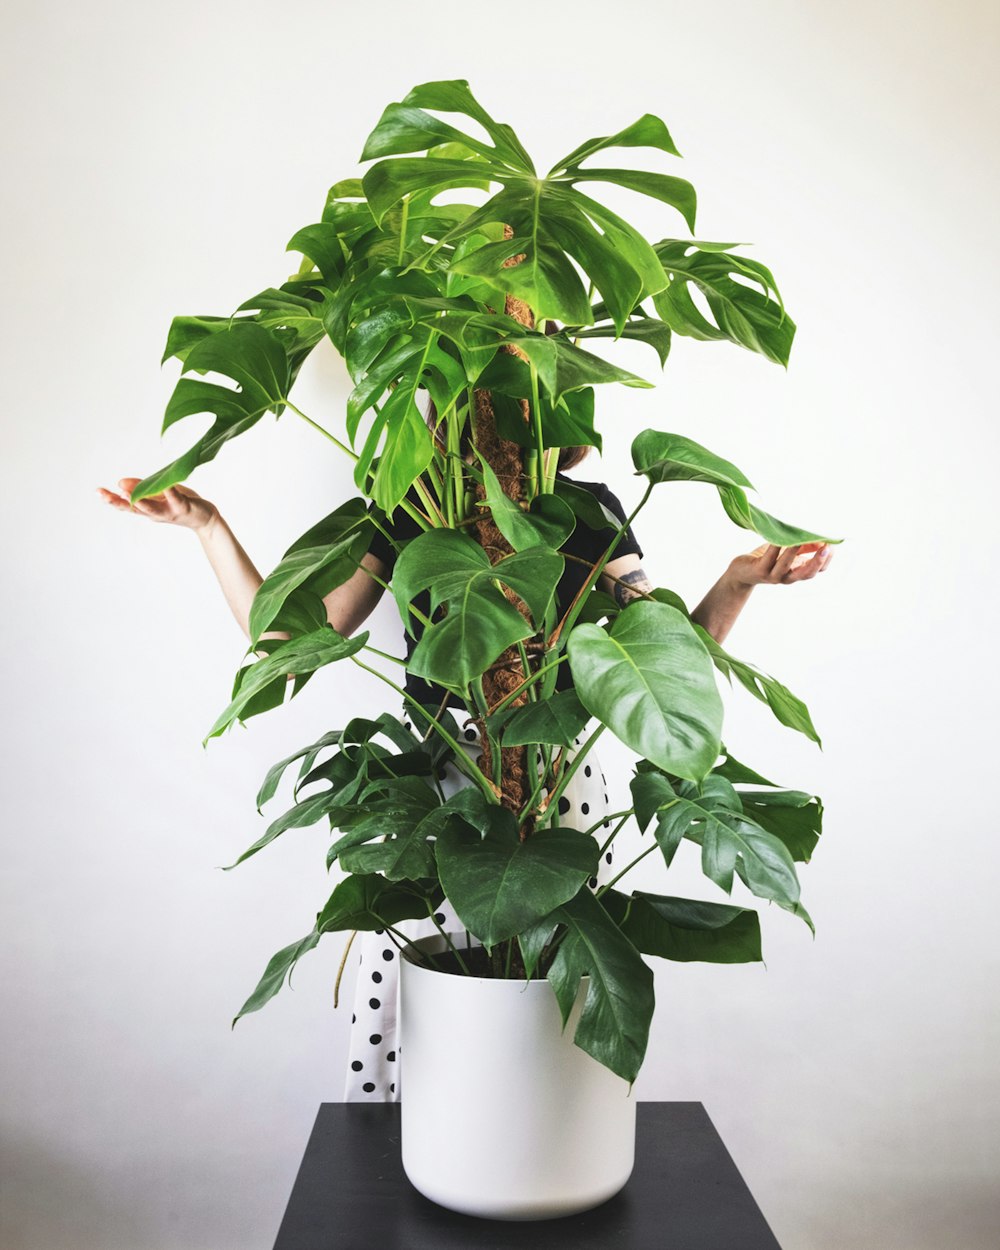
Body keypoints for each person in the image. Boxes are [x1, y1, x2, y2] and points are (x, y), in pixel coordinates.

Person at [97, 443, 832, 1102]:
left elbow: (661, 665)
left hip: (557, 778)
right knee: (407, 970)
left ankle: (549, 1142)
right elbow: (291, 640)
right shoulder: (410, 506)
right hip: (446, 782)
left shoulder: (588, 510)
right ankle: (416, 1153)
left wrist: (738, 582)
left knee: (556, 977)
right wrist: (209, 526)